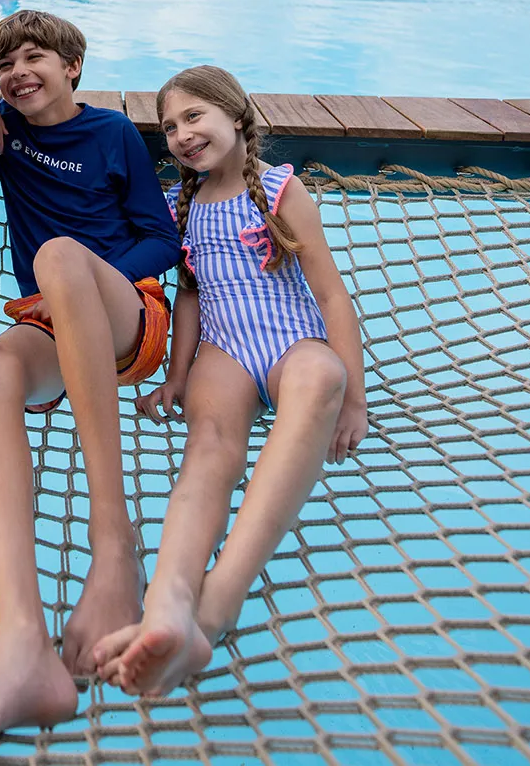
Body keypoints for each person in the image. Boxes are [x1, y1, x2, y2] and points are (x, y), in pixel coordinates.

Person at [0, 11, 179, 765]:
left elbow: (161, 236)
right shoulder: (5, 137)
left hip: (127, 316)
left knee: (57, 253)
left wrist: (89, 278)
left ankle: (114, 549)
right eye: (5, 63)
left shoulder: (112, 135)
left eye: (36, 57)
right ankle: (20, 642)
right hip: (47, 324)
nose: (20, 72)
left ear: (73, 66)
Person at [91, 65, 368, 697]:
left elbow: (330, 295)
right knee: (208, 452)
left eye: (194, 117)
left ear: (237, 117)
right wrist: (177, 377)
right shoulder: (176, 206)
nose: (181, 135)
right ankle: (166, 602)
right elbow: (187, 298)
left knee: (320, 376)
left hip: (289, 339)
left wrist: (355, 396)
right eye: (169, 126)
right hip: (224, 348)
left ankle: (214, 606)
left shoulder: (279, 191)